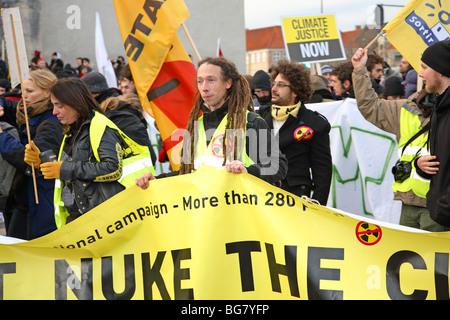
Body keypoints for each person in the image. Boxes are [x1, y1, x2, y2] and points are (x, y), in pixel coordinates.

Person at [136, 57, 288, 189]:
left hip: (239, 216)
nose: (204, 88)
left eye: (211, 80)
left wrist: (248, 171)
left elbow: (277, 166)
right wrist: (157, 181)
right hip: (205, 217)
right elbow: (186, 174)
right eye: (200, 81)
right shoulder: (195, 127)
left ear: (228, 83)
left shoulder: (250, 122)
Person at [352, 47, 443, 232]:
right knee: (409, 258)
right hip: (409, 202)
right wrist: (359, 70)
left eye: (424, 67)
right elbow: (370, 106)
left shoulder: (444, 111)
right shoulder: (406, 108)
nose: (420, 73)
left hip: (438, 206)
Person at [42, 77, 153, 228]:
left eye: (59, 106)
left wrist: (64, 169)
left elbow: (113, 168)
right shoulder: (71, 131)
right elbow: (72, 170)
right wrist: (39, 163)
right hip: (80, 218)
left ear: (75, 103)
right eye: (54, 106)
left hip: (101, 219)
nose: (54, 112)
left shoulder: (99, 125)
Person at [0, 69, 63, 239]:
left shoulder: (51, 122)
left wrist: (1, 136)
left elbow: (29, 160)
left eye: (30, 91)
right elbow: (7, 103)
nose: (24, 96)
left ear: (47, 92)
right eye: (23, 91)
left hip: (41, 199)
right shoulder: (28, 112)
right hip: (22, 199)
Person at [259, 60, 332, 205]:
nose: (274, 88)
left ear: (296, 91)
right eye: (274, 83)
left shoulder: (315, 124)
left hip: (294, 199)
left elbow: (322, 172)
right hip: (261, 196)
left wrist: (317, 206)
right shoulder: (260, 116)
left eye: (280, 85)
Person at [414, 40, 450, 230]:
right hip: (442, 216)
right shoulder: (439, 107)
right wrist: (421, 166)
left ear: (441, 70)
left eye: (424, 67)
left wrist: (444, 205)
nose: (420, 74)